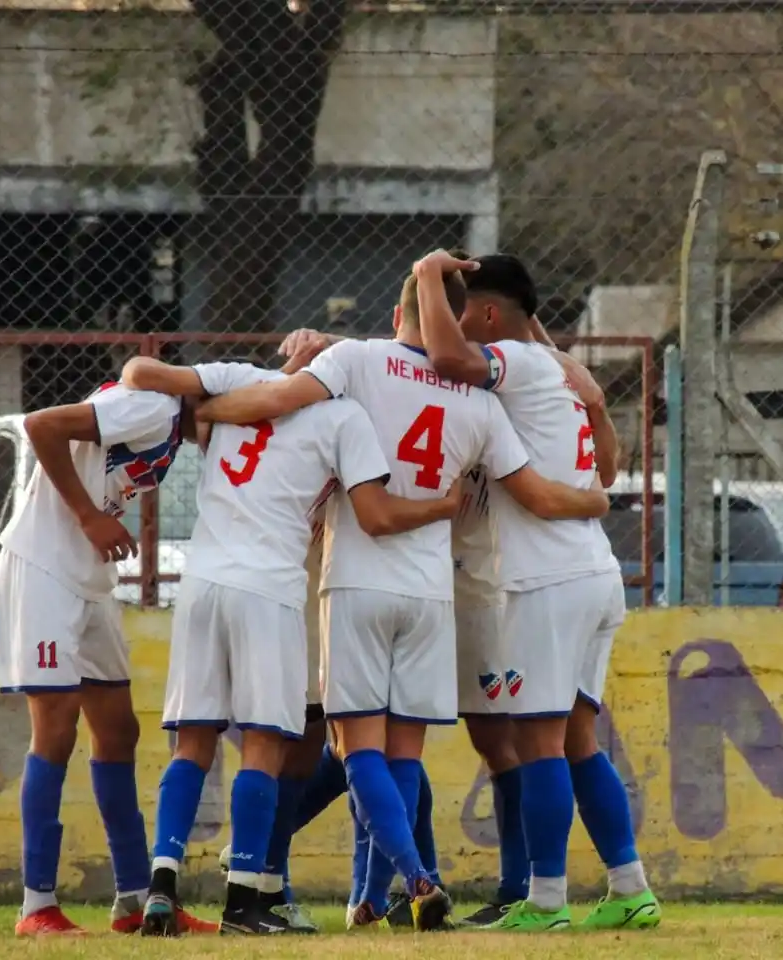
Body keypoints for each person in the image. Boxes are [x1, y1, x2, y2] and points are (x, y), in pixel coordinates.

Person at [195, 267, 608, 931]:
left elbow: (286, 403)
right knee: (407, 751)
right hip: (435, 590)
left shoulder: (360, 370)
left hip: (366, 581)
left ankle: (411, 879)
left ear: (395, 316)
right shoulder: (483, 400)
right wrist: (594, 499)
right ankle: (380, 891)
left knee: (357, 745)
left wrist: (204, 410)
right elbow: (535, 485)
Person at [118, 355, 458, 936]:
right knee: (264, 746)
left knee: (191, 743)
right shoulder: (346, 417)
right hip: (269, 586)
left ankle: (161, 889)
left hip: (201, 581)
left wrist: (210, 409)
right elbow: (374, 513)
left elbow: (139, 371)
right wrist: (445, 507)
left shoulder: (238, 378)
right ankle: (243, 902)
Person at [416, 249, 661, 931]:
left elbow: (449, 359)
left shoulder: (518, 364)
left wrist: (427, 273)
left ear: (491, 314)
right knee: (580, 741)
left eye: (467, 311)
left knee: (539, 744)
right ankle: (630, 889)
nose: (457, 324)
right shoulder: (558, 368)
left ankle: (546, 901)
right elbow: (605, 472)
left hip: (546, 581)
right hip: (594, 573)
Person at [0, 380, 218, 937]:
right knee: (55, 728)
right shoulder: (152, 405)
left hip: (90, 579)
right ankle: (36, 905)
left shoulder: (170, 425)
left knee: (118, 732)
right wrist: (89, 516)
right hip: (46, 568)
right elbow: (42, 425)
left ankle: (136, 898)